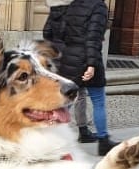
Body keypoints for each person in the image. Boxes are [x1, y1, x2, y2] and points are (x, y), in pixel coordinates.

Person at [43, 0, 120, 156]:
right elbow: (94, 38)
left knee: (65, 102)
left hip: (67, 58)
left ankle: (49, 138)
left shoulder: (68, 5)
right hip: (86, 58)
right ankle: (103, 141)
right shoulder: (98, 6)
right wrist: (91, 64)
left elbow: (53, 33)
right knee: (98, 101)